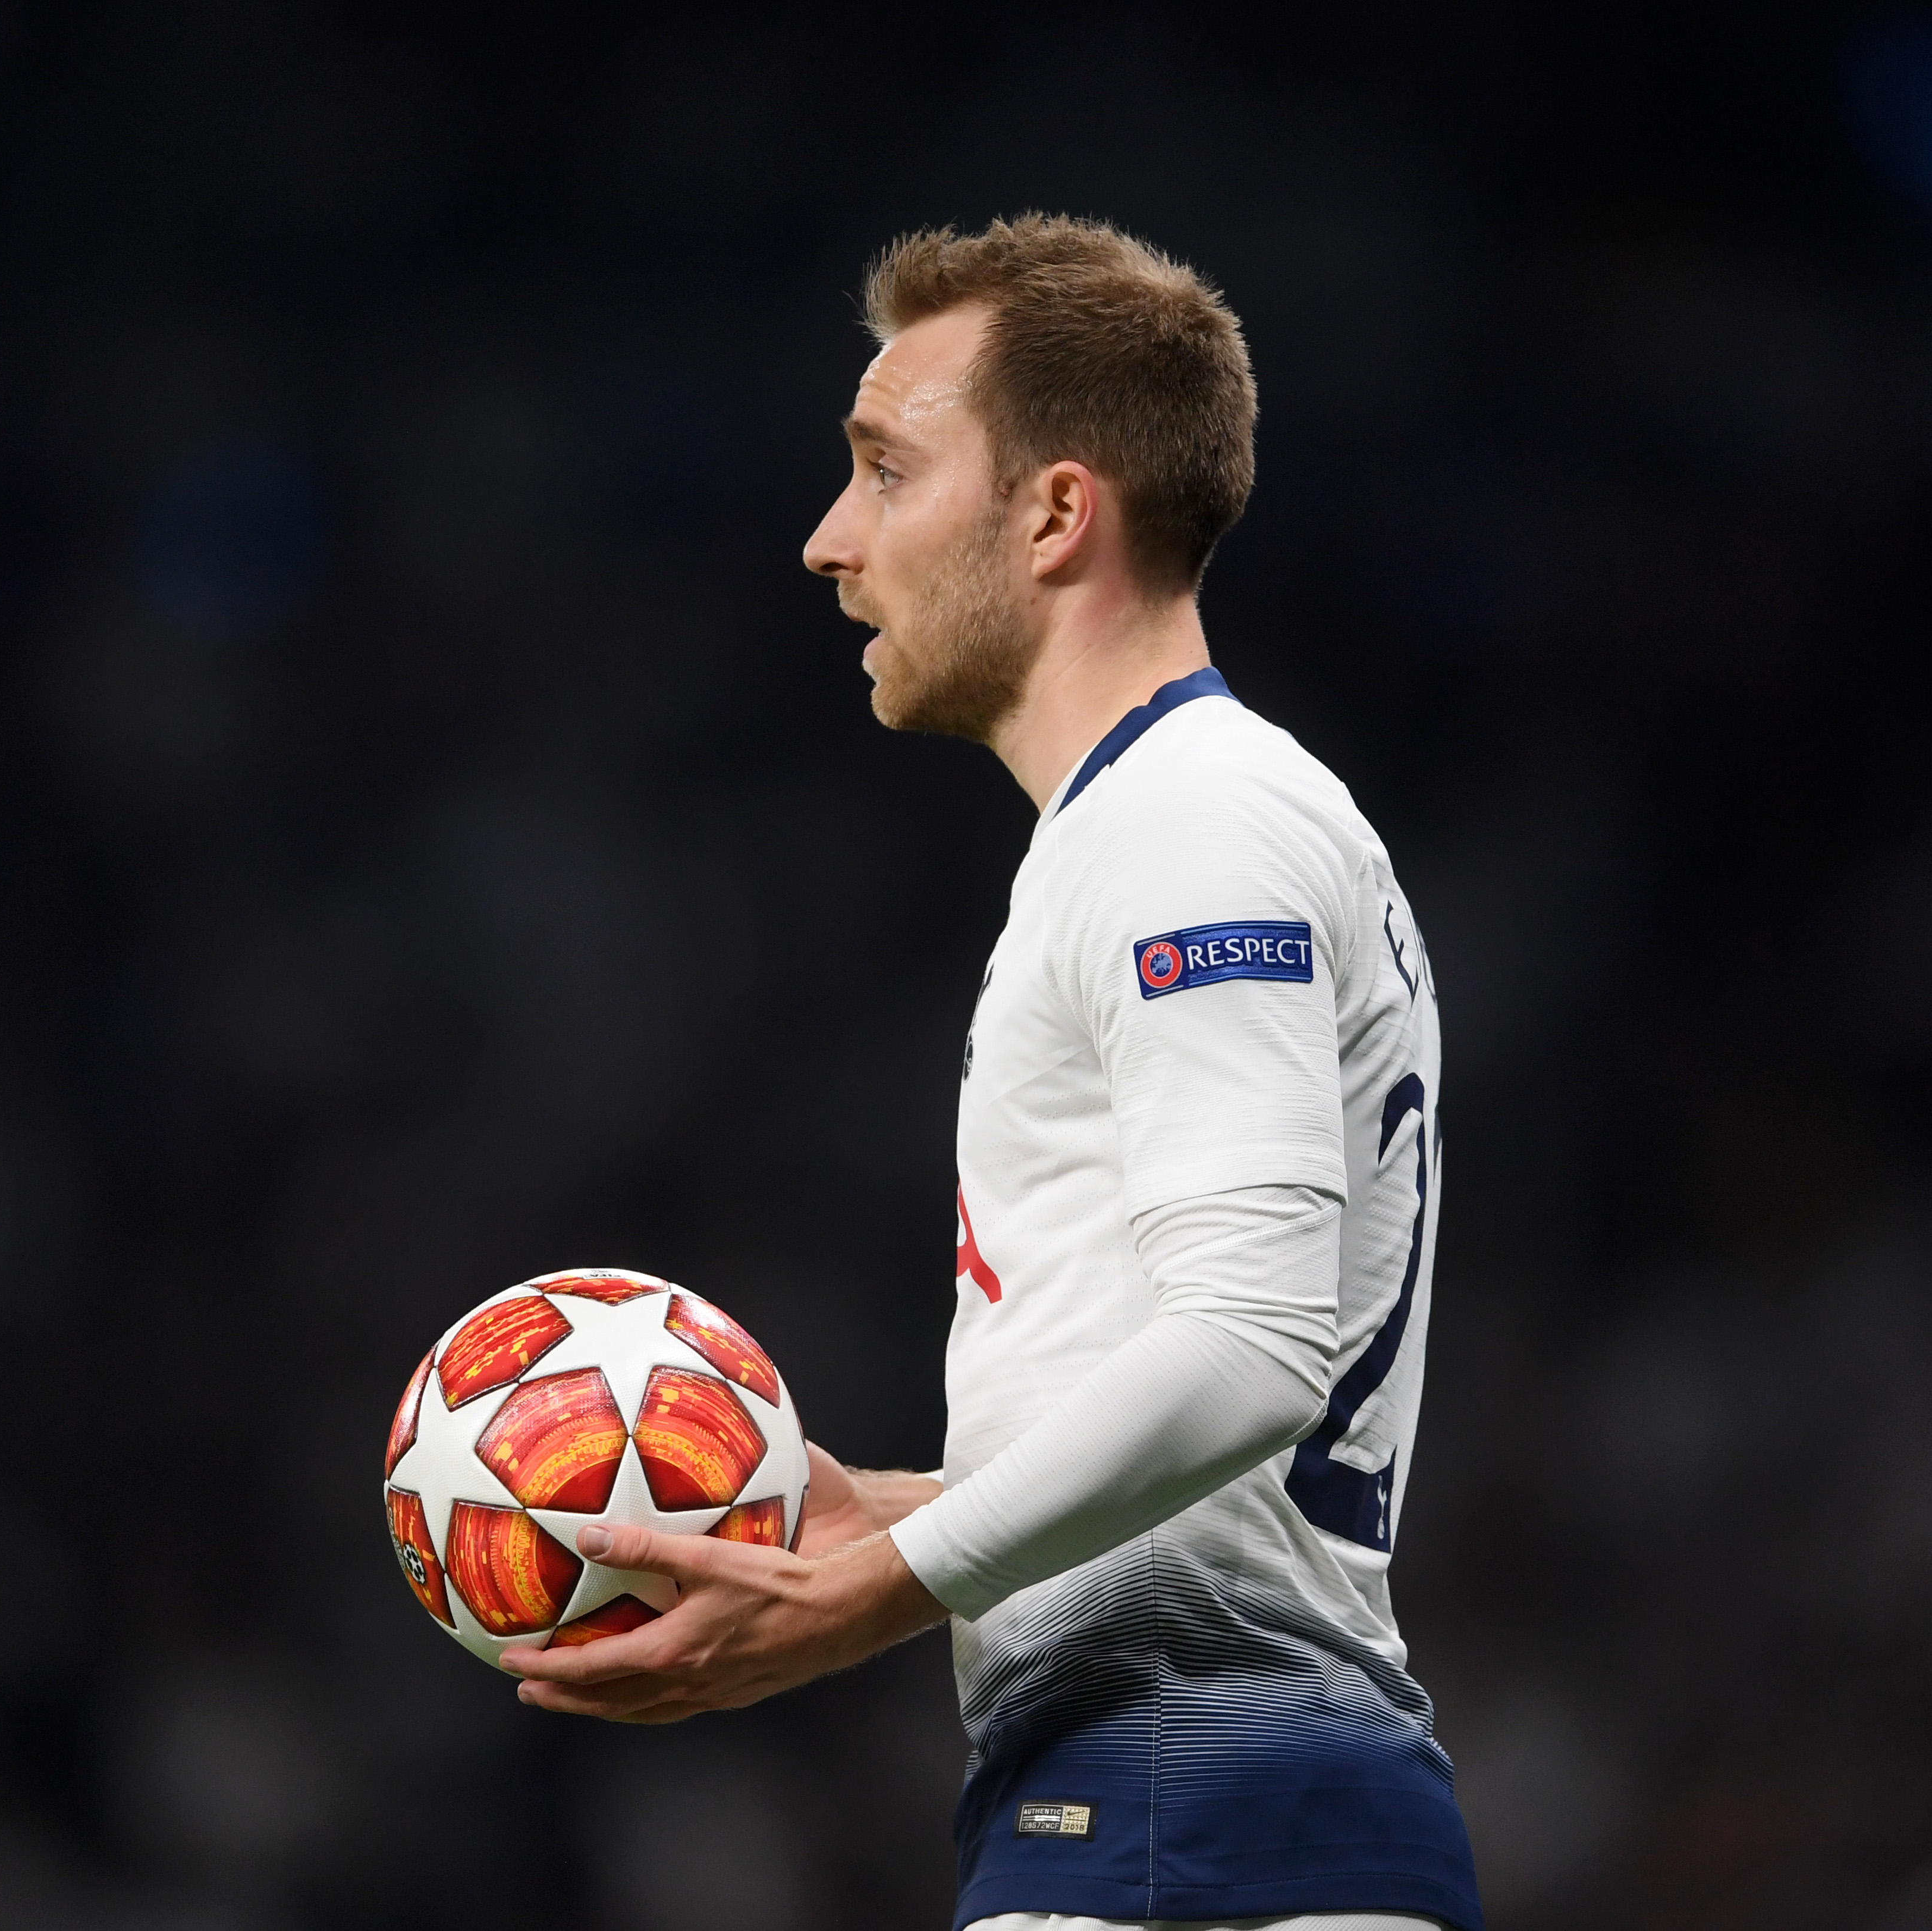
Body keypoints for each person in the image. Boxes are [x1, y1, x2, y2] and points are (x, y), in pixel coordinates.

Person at [502, 215, 1481, 1931]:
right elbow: (1231, 1442)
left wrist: (869, 1590)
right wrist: (885, 1505)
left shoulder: (1190, 827)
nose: (826, 542)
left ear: (1052, 512)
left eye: (885, 469)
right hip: (1217, 1813)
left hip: (1190, 1814)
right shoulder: (1191, 821)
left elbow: (1251, 1351)